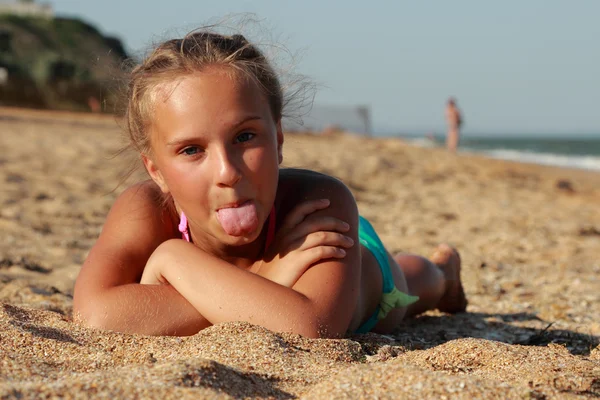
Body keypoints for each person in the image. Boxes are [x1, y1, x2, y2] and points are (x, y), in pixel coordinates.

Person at [73, 30, 467, 338]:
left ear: (278, 139)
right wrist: (267, 279)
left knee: (412, 282)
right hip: (278, 275)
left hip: (364, 279)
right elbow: (95, 315)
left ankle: (444, 272)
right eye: (192, 150)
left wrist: (173, 260)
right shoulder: (144, 209)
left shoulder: (320, 203)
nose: (227, 172)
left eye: (245, 138)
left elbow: (314, 329)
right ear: (156, 170)